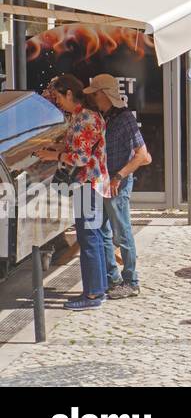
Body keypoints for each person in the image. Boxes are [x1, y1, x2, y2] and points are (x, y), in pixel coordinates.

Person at [35, 75, 109, 310]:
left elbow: (80, 157)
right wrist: (56, 148)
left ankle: (93, 295)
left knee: (89, 238)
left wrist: (53, 156)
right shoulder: (84, 115)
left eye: (58, 97)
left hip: (87, 184)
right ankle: (98, 290)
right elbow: (77, 146)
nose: (58, 102)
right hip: (90, 183)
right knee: (92, 237)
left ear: (69, 94)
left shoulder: (85, 118)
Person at [84, 74, 151, 299]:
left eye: (94, 93)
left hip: (116, 183)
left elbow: (143, 156)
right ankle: (113, 279)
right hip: (104, 181)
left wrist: (119, 177)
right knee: (103, 231)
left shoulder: (123, 119)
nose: (92, 97)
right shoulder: (105, 117)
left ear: (104, 94)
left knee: (122, 232)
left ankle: (131, 281)